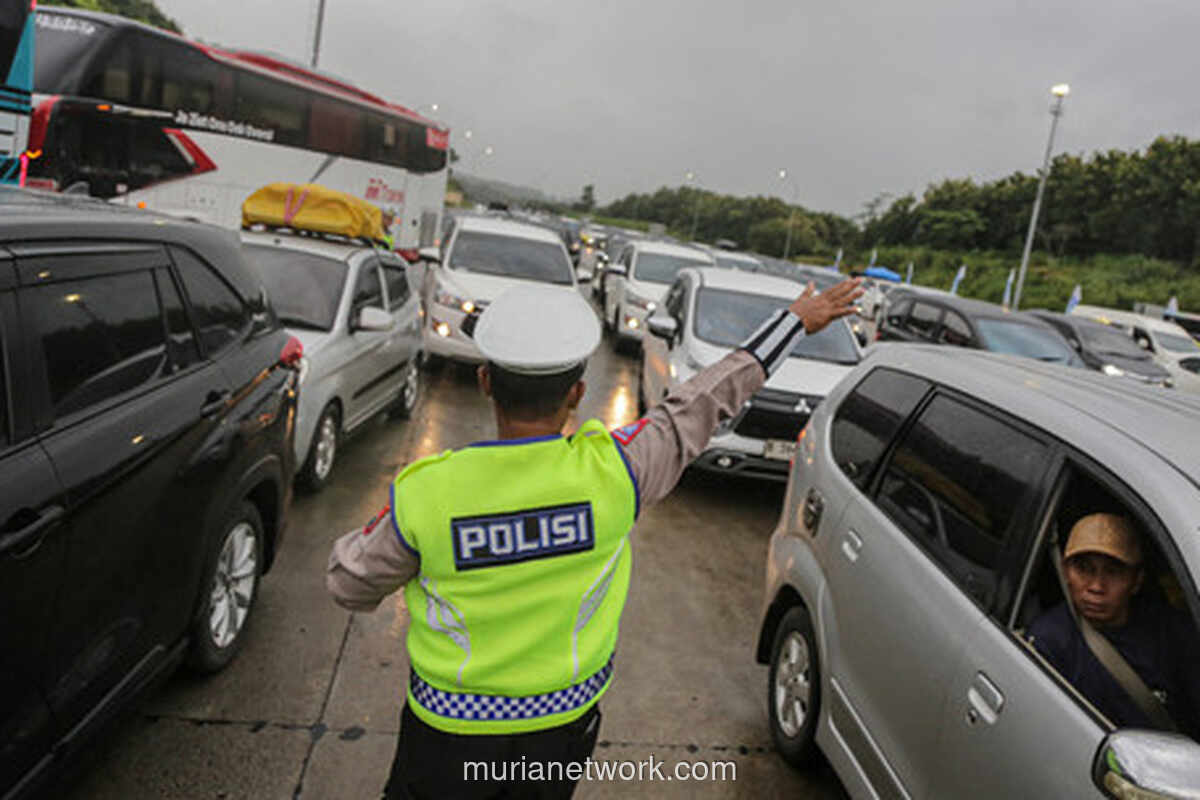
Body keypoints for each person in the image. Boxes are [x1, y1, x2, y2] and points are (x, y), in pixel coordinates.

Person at [326, 278, 864, 799]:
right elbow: (704, 400)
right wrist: (792, 323)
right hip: (560, 735)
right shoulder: (618, 472)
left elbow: (349, 584)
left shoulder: (427, 492)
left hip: (448, 739)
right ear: (577, 394)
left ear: (485, 382)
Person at [1028, 513, 1200, 738]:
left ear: (1136, 581)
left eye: (1113, 572)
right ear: (1065, 572)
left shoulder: (1172, 632)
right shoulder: (1050, 642)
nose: (1096, 586)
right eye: (1084, 569)